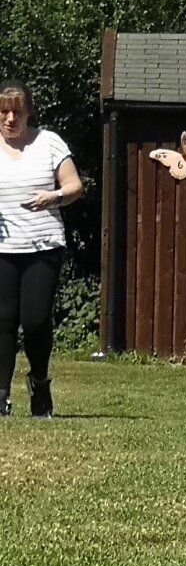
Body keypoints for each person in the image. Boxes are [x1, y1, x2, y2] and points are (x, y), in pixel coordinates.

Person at [0, 83, 82, 418]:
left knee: (34, 320)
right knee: (2, 321)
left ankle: (39, 385)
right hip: (3, 248)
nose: (9, 119)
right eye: (3, 112)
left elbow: (75, 185)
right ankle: (2, 396)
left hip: (42, 246)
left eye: (16, 112)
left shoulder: (47, 142)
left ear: (28, 112)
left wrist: (54, 197)